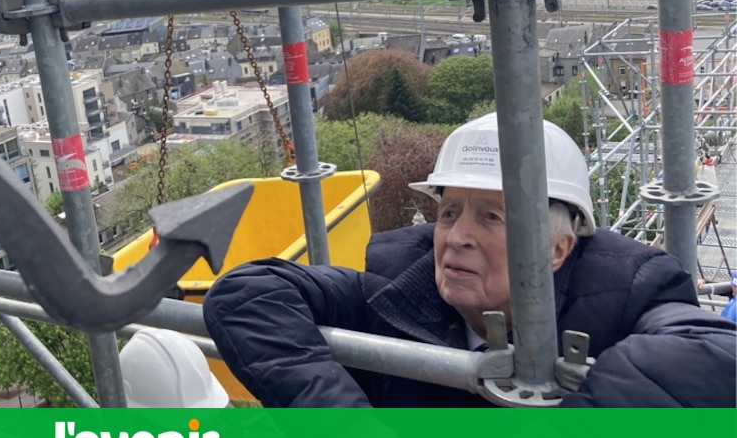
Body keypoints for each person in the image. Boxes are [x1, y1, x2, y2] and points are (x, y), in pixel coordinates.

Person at [204, 113, 736, 407]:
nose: (455, 236)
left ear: (558, 248)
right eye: (450, 210)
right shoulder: (400, 286)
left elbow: (715, 356)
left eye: (492, 217)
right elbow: (248, 293)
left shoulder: (630, 289)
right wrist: (351, 437)